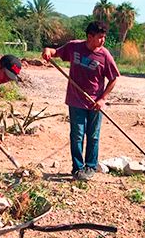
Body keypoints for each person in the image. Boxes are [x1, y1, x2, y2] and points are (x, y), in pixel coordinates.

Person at [42, 21, 120, 181]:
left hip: (95, 103)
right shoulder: (74, 47)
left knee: (93, 136)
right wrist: (47, 51)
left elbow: (113, 78)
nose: (103, 40)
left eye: (104, 37)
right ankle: (77, 168)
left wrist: (103, 99)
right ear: (89, 37)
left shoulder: (104, 55)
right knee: (77, 135)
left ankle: (90, 167)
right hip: (75, 100)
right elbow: (54, 52)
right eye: (100, 37)